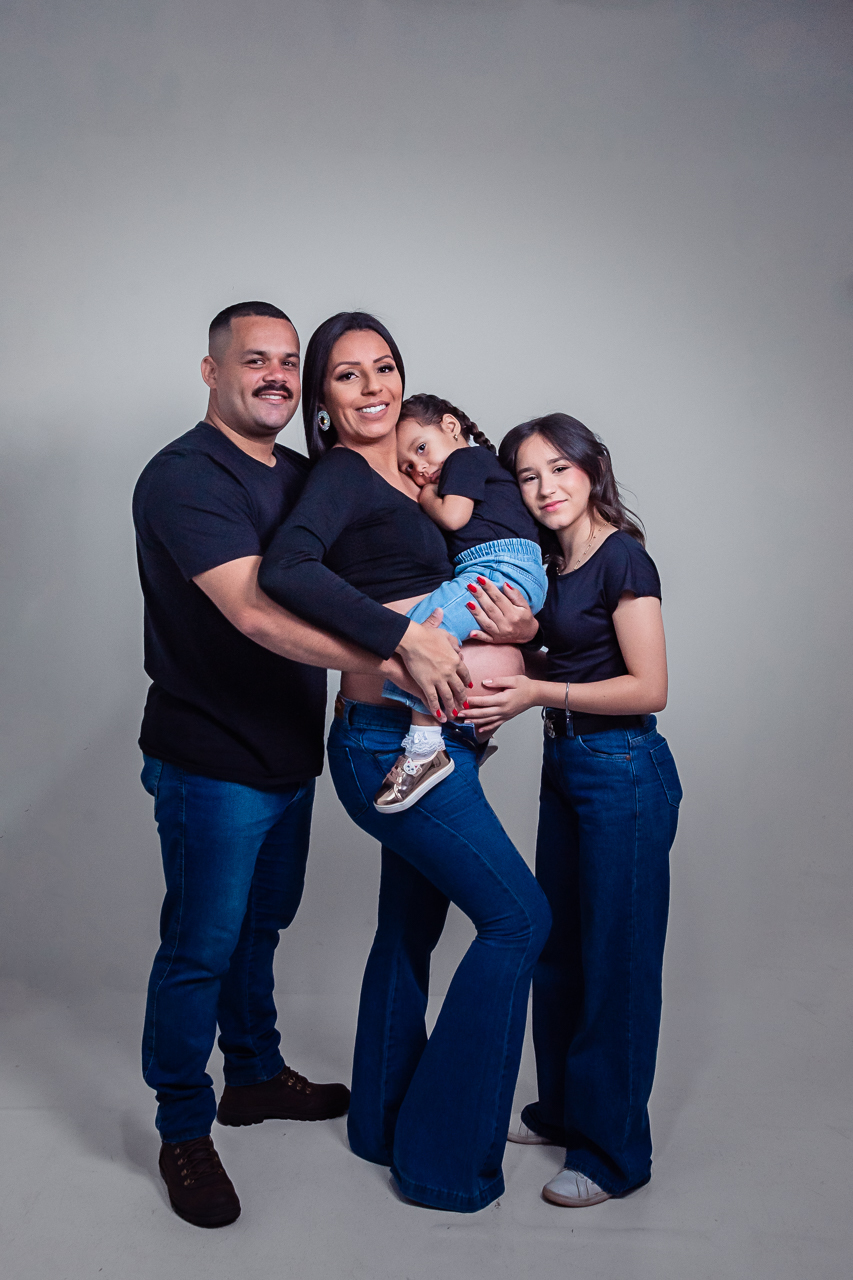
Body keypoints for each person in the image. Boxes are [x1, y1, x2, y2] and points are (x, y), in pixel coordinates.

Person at [132, 301, 467, 1229]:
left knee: (261, 927)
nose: (274, 374)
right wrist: (401, 654)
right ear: (212, 372)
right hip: (209, 756)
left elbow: (363, 571)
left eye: (287, 360)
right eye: (255, 360)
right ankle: (183, 1127)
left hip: (287, 747)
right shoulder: (185, 477)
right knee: (199, 947)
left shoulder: (304, 475)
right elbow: (256, 613)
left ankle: (252, 1075)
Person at [257, 312, 552, 1213]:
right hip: (387, 741)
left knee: (407, 931)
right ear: (321, 400)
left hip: (435, 739)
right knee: (518, 921)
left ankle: (380, 1122)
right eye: (346, 375)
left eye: (383, 367)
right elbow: (285, 569)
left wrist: (525, 628)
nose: (372, 386)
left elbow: (482, 586)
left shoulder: (415, 473)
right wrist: (399, 642)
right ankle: (441, 1160)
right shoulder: (343, 473)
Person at [464, 413, 682, 1208]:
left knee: (615, 962)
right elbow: (573, 655)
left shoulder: (622, 556)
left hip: (622, 769)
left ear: (592, 469)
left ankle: (612, 1155)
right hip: (567, 763)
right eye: (526, 476)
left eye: (558, 468)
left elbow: (648, 686)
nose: (544, 488)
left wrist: (531, 689)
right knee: (558, 951)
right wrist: (524, 643)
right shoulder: (552, 564)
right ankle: (561, 1110)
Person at [373, 392, 548, 812]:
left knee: (422, 634)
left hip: (499, 567)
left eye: (421, 448)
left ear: (451, 427)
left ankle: (424, 748)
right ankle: (466, 739)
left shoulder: (466, 461)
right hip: (504, 568)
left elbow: (453, 516)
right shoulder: (468, 470)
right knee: (426, 637)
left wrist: (425, 497)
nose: (420, 469)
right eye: (408, 467)